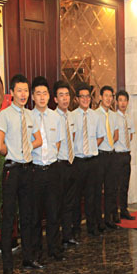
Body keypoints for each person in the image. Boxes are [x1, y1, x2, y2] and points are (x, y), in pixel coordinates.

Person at [0, 74, 42, 274]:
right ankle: (8, 268)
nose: (23, 94)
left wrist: (26, 148)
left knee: (28, 216)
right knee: (8, 219)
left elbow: (38, 140)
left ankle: (28, 259)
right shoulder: (5, 115)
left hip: (27, 170)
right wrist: (13, 151)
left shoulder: (30, 115)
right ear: (12, 92)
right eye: (19, 90)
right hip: (12, 171)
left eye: (26, 91)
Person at [30, 76, 65, 263]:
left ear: (49, 96)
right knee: (35, 215)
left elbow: (57, 144)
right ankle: (37, 252)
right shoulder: (28, 117)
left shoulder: (56, 117)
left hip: (52, 170)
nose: (42, 97)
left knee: (54, 213)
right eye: (38, 93)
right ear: (33, 97)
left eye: (45, 93)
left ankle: (54, 249)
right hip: (34, 171)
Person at [71, 83, 105, 237]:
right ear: (77, 99)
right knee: (76, 197)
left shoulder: (96, 116)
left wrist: (90, 147)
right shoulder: (71, 116)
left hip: (92, 161)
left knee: (92, 196)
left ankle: (92, 227)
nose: (85, 99)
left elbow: (100, 137)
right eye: (82, 97)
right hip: (77, 162)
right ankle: (76, 229)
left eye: (88, 96)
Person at [53, 81, 78, 248]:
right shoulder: (52, 117)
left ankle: (67, 236)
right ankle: (56, 240)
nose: (65, 98)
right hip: (58, 165)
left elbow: (73, 137)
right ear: (55, 99)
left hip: (71, 163)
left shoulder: (72, 116)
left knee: (70, 202)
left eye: (67, 95)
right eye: (61, 95)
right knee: (57, 204)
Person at [95, 85, 119, 230]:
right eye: (106, 96)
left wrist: (110, 144)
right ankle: (99, 221)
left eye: (111, 96)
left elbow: (116, 135)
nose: (109, 99)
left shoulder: (114, 115)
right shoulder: (94, 115)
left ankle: (109, 218)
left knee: (111, 189)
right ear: (100, 97)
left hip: (111, 155)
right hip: (100, 156)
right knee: (98, 190)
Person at [113, 89, 135, 221]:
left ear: (127, 102)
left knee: (125, 184)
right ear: (116, 102)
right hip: (116, 155)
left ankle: (124, 210)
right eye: (120, 100)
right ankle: (114, 212)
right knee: (116, 185)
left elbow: (131, 136)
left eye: (125, 100)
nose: (122, 103)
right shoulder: (113, 117)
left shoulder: (129, 118)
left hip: (127, 155)